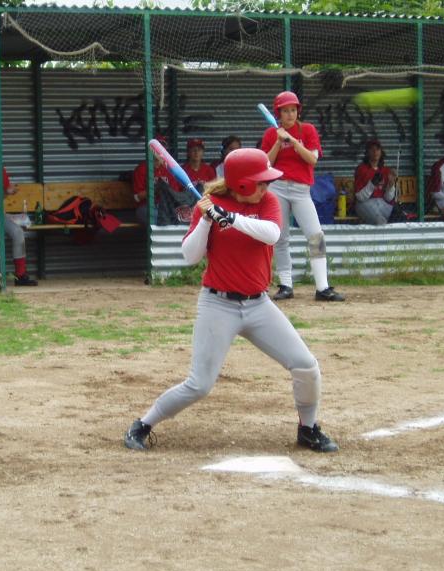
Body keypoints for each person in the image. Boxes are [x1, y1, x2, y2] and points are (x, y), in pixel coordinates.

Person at [124, 148, 338, 454]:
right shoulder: (208, 207)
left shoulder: (268, 201)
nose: (265, 186)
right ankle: (142, 424)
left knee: (305, 366)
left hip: (259, 304)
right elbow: (190, 256)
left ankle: (308, 428)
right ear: (240, 185)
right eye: (260, 182)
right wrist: (208, 221)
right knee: (200, 384)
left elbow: (272, 234)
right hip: (218, 304)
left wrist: (230, 218)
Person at [260, 91, 344, 302]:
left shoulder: (307, 130)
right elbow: (266, 164)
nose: (290, 114)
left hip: (301, 190)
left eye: (293, 110)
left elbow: (312, 159)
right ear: (278, 113)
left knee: (316, 236)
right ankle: (286, 285)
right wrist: (279, 142)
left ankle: (322, 287)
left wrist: (294, 142)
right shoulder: (271, 133)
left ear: (298, 111)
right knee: (280, 238)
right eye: (285, 111)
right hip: (277, 187)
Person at [132, 134, 182, 225]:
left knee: (181, 217)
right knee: (158, 217)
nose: (159, 150)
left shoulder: (170, 168)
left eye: (162, 147)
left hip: (166, 206)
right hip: (146, 207)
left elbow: (176, 194)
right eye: (157, 147)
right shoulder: (142, 168)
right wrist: (154, 190)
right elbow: (137, 198)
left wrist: (166, 190)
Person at [2, 167, 37, 286]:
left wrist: (8, 190)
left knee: (18, 233)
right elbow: (6, 191)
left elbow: (4, 191)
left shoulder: (0, 167)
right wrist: (10, 190)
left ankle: (20, 276)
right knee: (18, 233)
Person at [353, 139, 400, 225]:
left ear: (381, 152)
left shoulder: (385, 170)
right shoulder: (361, 169)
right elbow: (359, 197)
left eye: (378, 149)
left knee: (399, 217)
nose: (375, 152)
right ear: (367, 153)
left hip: (382, 204)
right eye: (372, 149)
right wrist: (372, 184)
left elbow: (388, 198)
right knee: (380, 221)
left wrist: (391, 185)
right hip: (365, 204)